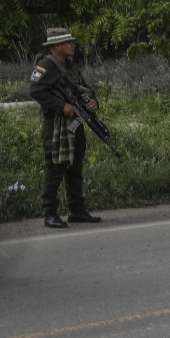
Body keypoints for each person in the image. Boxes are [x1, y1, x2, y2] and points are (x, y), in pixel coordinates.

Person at [29, 27, 102, 228]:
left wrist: (93, 102)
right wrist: (62, 106)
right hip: (56, 125)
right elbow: (35, 91)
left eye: (73, 42)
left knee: (75, 167)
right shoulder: (45, 65)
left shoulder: (70, 66)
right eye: (69, 42)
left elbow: (84, 88)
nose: (73, 45)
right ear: (57, 45)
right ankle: (50, 213)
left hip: (75, 123)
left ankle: (76, 210)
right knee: (56, 168)